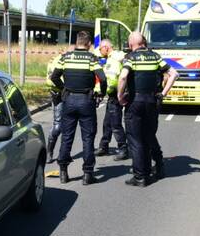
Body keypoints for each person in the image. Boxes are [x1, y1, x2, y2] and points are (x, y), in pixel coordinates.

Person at [117, 32, 178, 186]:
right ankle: (154, 167)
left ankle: (140, 176)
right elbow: (174, 74)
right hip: (152, 101)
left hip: (135, 101)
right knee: (149, 135)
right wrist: (162, 94)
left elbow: (123, 77)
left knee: (135, 138)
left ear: (131, 44)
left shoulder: (131, 57)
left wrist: (119, 96)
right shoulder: (156, 56)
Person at [49, 30, 107, 185]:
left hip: (69, 100)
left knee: (66, 137)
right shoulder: (91, 58)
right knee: (87, 138)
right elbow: (102, 78)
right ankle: (87, 174)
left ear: (77, 42)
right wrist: (102, 93)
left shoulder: (66, 57)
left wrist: (64, 89)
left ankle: (63, 173)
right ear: (88, 44)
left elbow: (54, 76)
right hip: (86, 101)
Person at [94, 38, 129, 160]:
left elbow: (113, 80)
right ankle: (104, 146)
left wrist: (103, 92)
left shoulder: (114, 59)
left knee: (115, 124)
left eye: (100, 48)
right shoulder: (111, 58)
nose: (99, 51)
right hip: (112, 96)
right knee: (107, 123)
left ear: (106, 47)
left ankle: (123, 149)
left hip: (115, 94)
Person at [45, 50, 64, 163]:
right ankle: (49, 151)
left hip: (74, 96)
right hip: (59, 95)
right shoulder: (57, 61)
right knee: (58, 126)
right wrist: (63, 88)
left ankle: (64, 153)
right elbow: (50, 79)